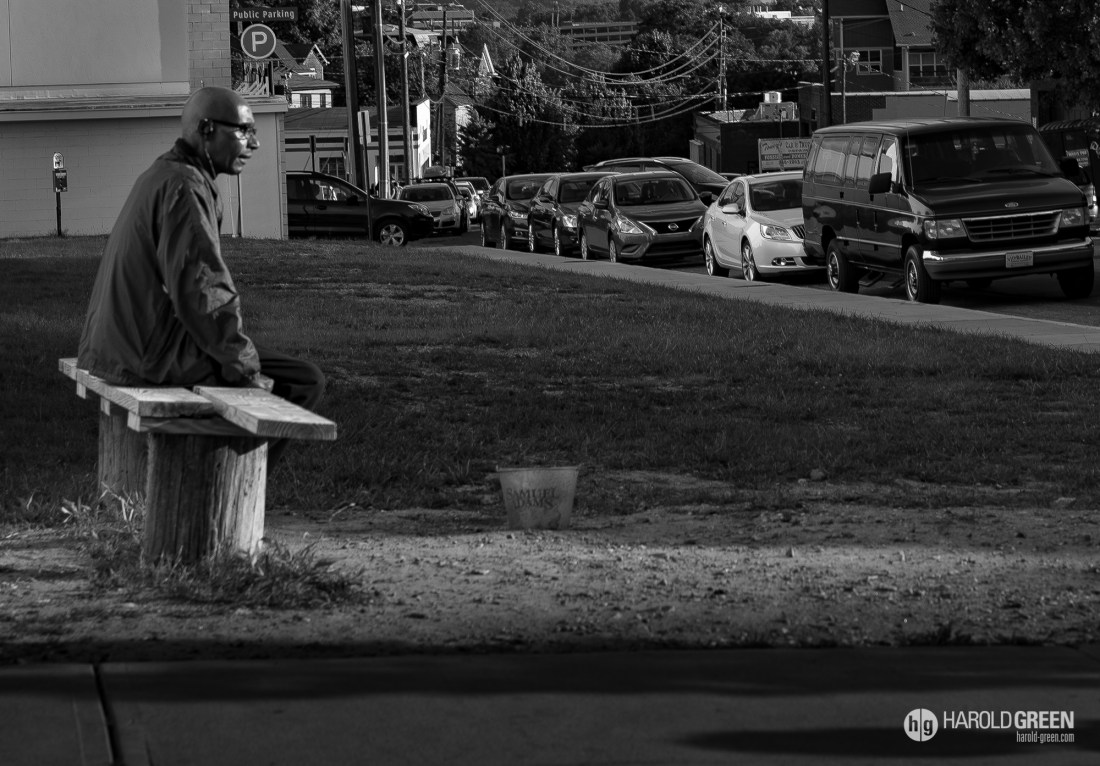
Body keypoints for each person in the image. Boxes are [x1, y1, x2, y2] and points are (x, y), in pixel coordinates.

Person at [78, 85, 325, 465]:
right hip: (144, 355)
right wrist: (243, 368)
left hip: (116, 346)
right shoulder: (185, 187)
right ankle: (230, 483)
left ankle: (219, 475)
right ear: (207, 129)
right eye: (243, 131)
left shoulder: (165, 173)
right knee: (303, 381)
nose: (254, 143)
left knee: (279, 371)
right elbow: (205, 291)